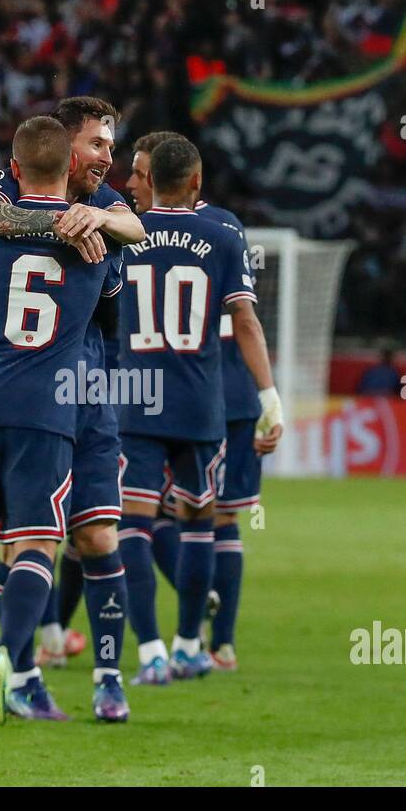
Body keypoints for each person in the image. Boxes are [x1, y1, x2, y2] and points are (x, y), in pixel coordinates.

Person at [0, 96, 145, 722]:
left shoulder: (103, 208)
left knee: (97, 533)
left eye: (113, 148)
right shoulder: (1, 184)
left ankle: (108, 678)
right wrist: (54, 224)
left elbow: (136, 226)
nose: (107, 159)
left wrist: (91, 219)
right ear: (65, 146)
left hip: (88, 390)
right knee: (22, 537)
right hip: (41, 383)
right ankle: (22, 673)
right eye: (97, 145)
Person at [115, 136, 281, 685]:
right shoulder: (222, 237)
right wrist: (269, 396)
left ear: (148, 179)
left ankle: (151, 653)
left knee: (134, 525)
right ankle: (193, 644)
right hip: (200, 401)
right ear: (195, 181)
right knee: (199, 521)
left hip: (135, 398)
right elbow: (247, 323)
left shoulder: (120, 234)